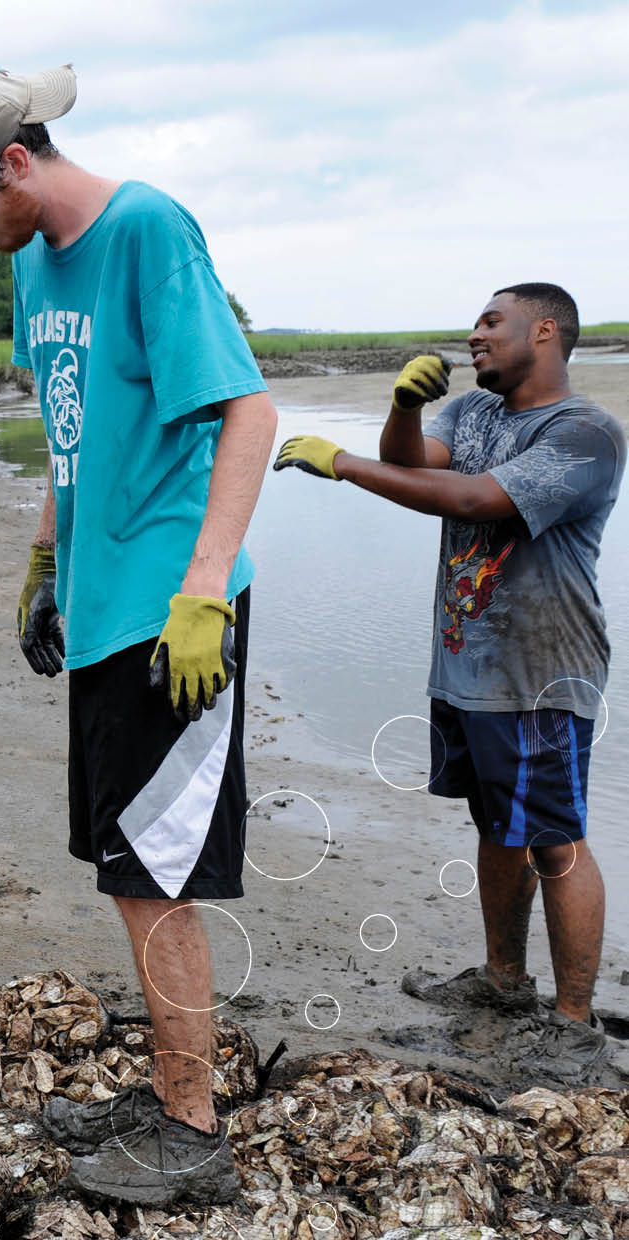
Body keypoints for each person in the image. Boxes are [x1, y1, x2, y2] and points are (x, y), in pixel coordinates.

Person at [0, 65, 277, 1207]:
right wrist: (39, 561)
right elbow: (68, 432)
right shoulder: (34, 262)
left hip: (174, 615)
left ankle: (192, 1131)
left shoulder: (147, 230)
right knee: (126, 872)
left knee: (158, 874)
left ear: (15, 163)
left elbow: (248, 414)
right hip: (101, 602)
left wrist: (204, 586)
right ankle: (171, 1088)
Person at [274, 283, 623, 1084]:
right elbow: (417, 462)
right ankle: (504, 982)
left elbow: (475, 498)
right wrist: (399, 410)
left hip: (541, 672)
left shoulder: (584, 432)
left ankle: (573, 1026)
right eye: (473, 323)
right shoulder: (474, 416)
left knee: (554, 837)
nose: (474, 335)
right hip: (469, 666)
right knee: (495, 824)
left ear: (546, 331)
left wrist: (344, 463)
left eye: (491, 322)